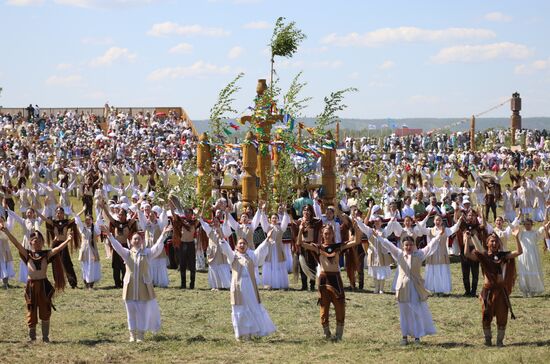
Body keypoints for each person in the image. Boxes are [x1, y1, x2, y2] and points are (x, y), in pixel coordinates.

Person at [1, 223, 71, 343]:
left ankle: (45, 337)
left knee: (45, 311)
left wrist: (68, 240)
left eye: (38, 240)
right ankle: (32, 337)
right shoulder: (27, 254)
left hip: (44, 286)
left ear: (42, 242)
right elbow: (16, 243)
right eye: (34, 240)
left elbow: (57, 249)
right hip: (31, 287)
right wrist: (6, 232)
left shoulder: (46, 254)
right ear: (30, 242)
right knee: (31, 311)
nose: (36, 242)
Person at [374, 230, 443, 345]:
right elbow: (388, 245)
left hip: (416, 287)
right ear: (402, 245)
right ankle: (404, 337)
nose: (409, 247)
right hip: (402, 287)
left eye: (411, 245)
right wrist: (379, 237)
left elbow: (430, 246)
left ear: (414, 245)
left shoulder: (419, 255)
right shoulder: (399, 254)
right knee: (404, 312)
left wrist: (439, 236)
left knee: (416, 311)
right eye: (406, 245)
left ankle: (417, 337)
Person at [104, 226, 169, 342]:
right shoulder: (127, 253)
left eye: (139, 239)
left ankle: (140, 335)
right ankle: (132, 334)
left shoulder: (147, 254)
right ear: (131, 241)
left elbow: (157, 247)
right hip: (130, 286)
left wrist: (163, 234)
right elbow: (117, 247)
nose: (137, 241)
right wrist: (110, 235)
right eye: (134, 239)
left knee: (142, 312)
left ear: (142, 241)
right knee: (131, 312)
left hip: (143, 286)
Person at [297, 224, 361, 341]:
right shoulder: (318, 247)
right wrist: (301, 230)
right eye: (325, 233)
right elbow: (300, 243)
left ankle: (339, 335)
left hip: (336, 279)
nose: (327, 235)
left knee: (340, 307)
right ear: (322, 234)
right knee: (323, 308)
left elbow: (356, 241)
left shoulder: (338, 246)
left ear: (333, 234)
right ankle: (327, 334)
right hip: (323, 279)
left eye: (329, 233)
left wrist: (356, 228)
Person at [463, 228, 522, 347]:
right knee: (486, 315)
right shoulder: (483, 256)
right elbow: (467, 254)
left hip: (501, 291)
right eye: (492, 241)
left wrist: (516, 237)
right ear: (487, 243)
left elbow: (519, 252)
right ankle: (488, 340)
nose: (494, 244)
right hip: (488, 291)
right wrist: (467, 240)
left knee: (502, 316)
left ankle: (500, 341)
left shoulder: (502, 255)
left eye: (496, 241)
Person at [218, 232, 277, 341]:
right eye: (240, 243)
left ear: (247, 246)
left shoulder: (251, 256)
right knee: (240, 308)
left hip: (250, 286)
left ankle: (253, 332)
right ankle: (241, 334)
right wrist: (222, 238)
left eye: (244, 244)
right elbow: (226, 249)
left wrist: (267, 239)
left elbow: (260, 251)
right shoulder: (233, 256)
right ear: (236, 246)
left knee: (252, 306)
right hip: (238, 288)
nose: (242, 245)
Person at [516, 218, 548, 297]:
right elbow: (513, 228)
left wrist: (547, 223)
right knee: (524, 271)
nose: (527, 226)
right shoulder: (521, 233)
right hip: (523, 255)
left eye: (529, 224)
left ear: (531, 225)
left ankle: (533, 290)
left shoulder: (534, 233)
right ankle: (525, 290)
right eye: (526, 224)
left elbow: (542, 229)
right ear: (524, 225)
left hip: (533, 255)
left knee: (533, 270)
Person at [74, 210, 101, 289]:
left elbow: (99, 220)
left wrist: (101, 209)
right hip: (84, 250)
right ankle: (86, 282)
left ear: (92, 221)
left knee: (92, 266)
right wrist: (74, 212)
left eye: (89, 220)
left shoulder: (95, 229)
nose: (87, 221)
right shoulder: (82, 228)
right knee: (84, 266)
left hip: (92, 251)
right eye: (86, 220)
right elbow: (78, 221)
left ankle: (91, 284)